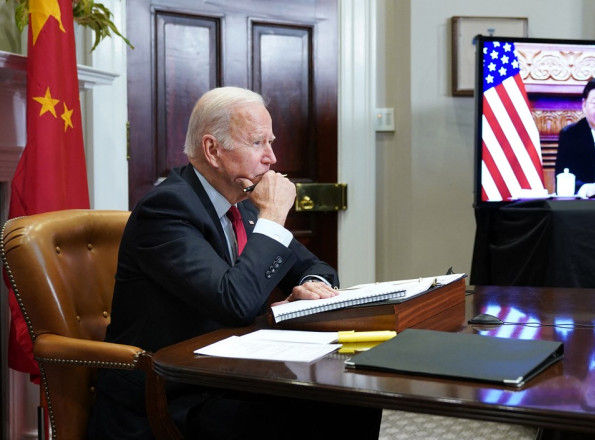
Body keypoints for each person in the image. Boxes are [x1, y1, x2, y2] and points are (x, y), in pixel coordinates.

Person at [87, 87, 382, 439]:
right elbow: (234, 302)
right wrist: (274, 215)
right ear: (212, 149)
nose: (272, 157)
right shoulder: (166, 209)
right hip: (172, 395)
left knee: (353, 398)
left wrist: (312, 287)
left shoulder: (243, 205)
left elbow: (317, 268)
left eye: (270, 142)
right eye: (258, 143)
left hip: (231, 376)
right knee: (309, 415)